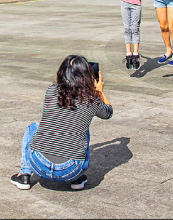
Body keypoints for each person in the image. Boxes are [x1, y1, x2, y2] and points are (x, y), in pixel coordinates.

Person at [11, 55, 112, 191]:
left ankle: (24, 174)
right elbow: (108, 113)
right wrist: (99, 92)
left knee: (33, 127)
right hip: (71, 170)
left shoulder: (51, 91)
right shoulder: (91, 100)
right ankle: (77, 179)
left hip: (38, 163)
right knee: (83, 129)